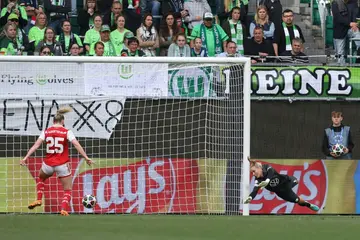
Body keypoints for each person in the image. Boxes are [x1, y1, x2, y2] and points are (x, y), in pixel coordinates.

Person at [20, 107, 93, 216]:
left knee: (41, 178)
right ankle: (63, 209)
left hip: (48, 165)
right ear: (63, 121)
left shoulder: (46, 131)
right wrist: (86, 157)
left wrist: (25, 157)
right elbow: (76, 144)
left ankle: (39, 199)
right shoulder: (67, 132)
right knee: (67, 190)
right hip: (62, 165)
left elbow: (36, 145)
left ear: (53, 121)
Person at [244, 157, 320, 212]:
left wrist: (267, 180)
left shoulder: (266, 167)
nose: (253, 174)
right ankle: (308, 205)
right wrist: (250, 197)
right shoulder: (258, 180)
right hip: (282, 192)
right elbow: (255, 190)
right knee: (297, 200)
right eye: (252, 173)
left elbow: (271, 172)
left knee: (296, 181)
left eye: (254, 171)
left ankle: (294, 184)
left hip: (286, 181)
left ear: (259, 168)